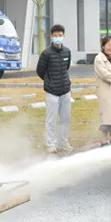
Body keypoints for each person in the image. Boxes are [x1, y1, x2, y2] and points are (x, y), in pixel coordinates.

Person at [36, 24, 72, 154]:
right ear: (51, 37)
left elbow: (66, 68)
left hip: (65, 90)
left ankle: (63, 142)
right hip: (52, 92)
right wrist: (49, 82)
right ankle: (51, 143)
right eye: (55, 36)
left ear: (64, 36)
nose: (58, 38)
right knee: (51, 119)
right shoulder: (46, 53)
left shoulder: (67, 51)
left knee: (65, 118)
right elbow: (40, 71)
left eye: (60, 35)